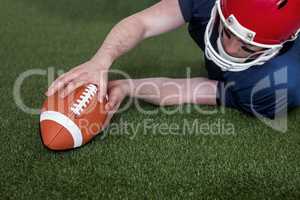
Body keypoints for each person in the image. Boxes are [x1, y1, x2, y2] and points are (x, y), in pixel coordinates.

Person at [46, 0, 300, 127]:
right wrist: (101, 62)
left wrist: (131, 87)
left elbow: (198, 89)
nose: (230, 48)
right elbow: (143, 23)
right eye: (227, 32)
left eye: (247, 46)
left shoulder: (278, 84)